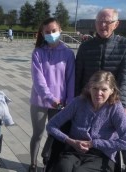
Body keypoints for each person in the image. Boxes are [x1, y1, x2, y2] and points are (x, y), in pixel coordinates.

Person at [46, 71, 126, 172]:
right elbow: (51, 125)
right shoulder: (78, 102)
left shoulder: (115, 108)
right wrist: (71, 141)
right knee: (62, 168)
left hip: (102, 156)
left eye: (104, 89)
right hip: (74, 151)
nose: (99, 93)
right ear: (89, 88)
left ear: (112, 90)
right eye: (95, 88)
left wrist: (95, 143)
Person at [29, 17, 75, 172]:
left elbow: (70, 79)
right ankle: (33, 164)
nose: (51, 34)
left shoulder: (68, 53)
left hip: (60, 103)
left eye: (54, 31)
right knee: (38, 134)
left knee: (54, 134)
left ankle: (47, 160)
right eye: (47, 32)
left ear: (60, 30)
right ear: (42, 33)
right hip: (40, 101)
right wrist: (49, 98)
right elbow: (38, 79)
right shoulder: (38, 52)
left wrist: (69, 101)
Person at [75, 8, 126, 107]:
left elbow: (124, 77)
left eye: (107, 22)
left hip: (112, 103)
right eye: (99, 21)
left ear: (116, 24)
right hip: (87, 101)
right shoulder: (85, 46)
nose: (102, 25)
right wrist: (76, 99)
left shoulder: (124, 45)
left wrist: (122, 105)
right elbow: (77, 76)